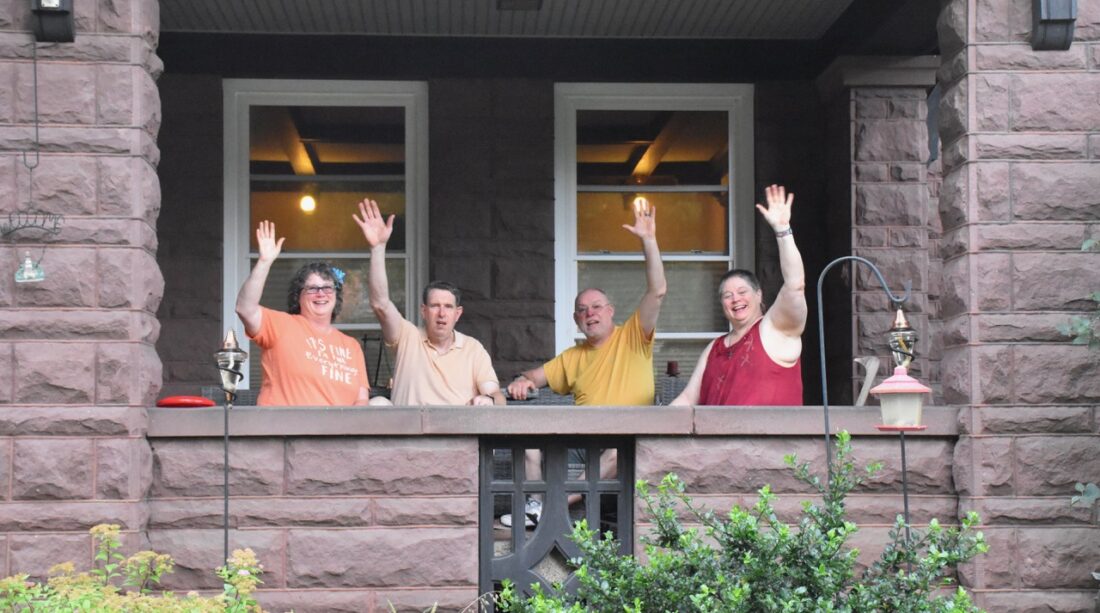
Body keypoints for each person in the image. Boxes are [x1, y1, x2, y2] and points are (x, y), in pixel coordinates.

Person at [507, 197, 667, 406]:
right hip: (586, 428)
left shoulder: (633, 337)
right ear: (576, 319)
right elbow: (533, 377)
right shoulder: (571, 358)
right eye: (582, 310)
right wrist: (521, 380)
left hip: (634, 427)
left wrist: (649, 240)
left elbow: (657, 291)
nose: (590, 313)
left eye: (597, 306)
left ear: (610, 311)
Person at [354, 199, 506, 406]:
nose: (441, 313)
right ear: (423, 311)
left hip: (456, 426)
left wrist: (488, 399)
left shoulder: (473, 348)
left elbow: (496, 394)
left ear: (458, 313)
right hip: (408, 426)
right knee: (378, 403)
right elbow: (380, 304)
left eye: (448, 307)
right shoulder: (407, 336)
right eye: (435, 306)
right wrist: (378, 248)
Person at [672, 184, 806, 406]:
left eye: (742, 292)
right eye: (727, 295)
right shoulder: (714, 348)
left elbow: (795, 285)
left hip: (767, 431)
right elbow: (687, 399)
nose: (735, 299)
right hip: (713, 431)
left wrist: (783, 230)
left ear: (759, 295)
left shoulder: (776, 329)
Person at [235, 220, 371, 406]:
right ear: (298, 296)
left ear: (336, 296)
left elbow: (361, 400)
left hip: (336, 425)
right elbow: (245, 308)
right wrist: (264, 262)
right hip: (286, 424)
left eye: (327, 288)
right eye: (312, 288)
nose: (321, 294)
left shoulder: (351, 346)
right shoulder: (281, 325)